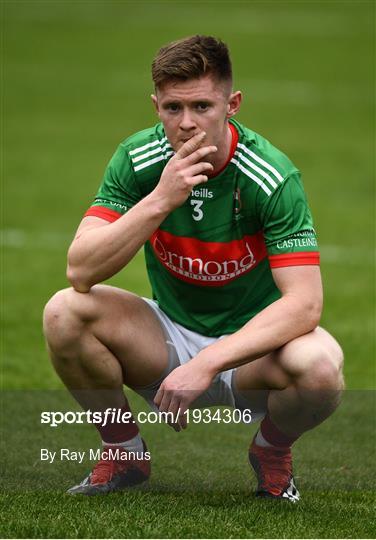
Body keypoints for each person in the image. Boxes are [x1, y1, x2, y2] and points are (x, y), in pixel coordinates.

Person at [43, 35, 344, 501]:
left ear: (233, 104)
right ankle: (124, 453)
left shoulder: (271, 176)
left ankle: (271, 451)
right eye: (171, 108)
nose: (186, 124)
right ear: (156, 105)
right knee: (64, 312)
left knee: (321, 367)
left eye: (202, 106)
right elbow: (81, 270)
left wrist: (207, 363)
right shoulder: (139, 159)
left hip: (252, 350)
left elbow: (304, 305)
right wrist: (161, 199)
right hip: (167, 334)